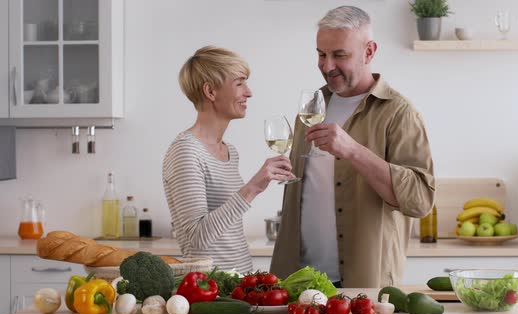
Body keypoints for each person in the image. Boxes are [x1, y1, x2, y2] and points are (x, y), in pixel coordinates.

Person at [270, 6, 435, 287]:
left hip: (363, 283)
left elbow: (420, 200)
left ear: (369, 52)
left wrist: (353, 151)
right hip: (297, 280)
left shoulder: (398, 113)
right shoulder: (311, 107)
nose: (327, 66)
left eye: (339, 55)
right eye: (321, 54)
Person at [163, 46, 295, 274]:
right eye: (239, 83)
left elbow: (227, 231)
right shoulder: (186, 152)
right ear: (210, 92)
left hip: (239, 285)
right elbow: (195, 241)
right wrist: (252, 188)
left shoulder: (229, 152)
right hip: (210, 292)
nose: (249, 92)